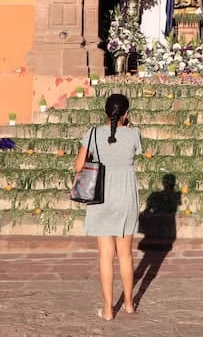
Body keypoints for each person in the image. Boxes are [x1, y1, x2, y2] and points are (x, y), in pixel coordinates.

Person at [73, 94, 141, 321]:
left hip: (100, 195)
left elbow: (79, 165)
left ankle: (108, 309)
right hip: (125, 196)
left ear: (105, 112)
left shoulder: (93, 133)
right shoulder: (134, 134)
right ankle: (130, 303)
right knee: (125, 255)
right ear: (126, 113)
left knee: (105, 255)